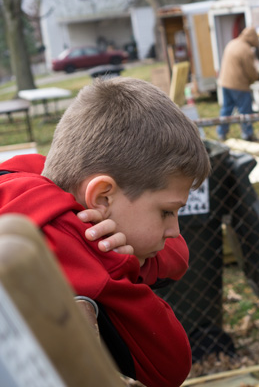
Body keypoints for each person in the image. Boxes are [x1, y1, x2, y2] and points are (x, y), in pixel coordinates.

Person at [0, 77, 211, 387]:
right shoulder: (75, 245)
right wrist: (118, 264)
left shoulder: (23, 178)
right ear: (102, 198)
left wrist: (142, 261)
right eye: (166, 212)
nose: (174, 229)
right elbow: (171, 366)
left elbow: (177, 254)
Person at [217, 26, 259, 142]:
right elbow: (250, 70)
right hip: (238, 84)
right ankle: (248, 134)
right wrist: (256, 77)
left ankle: (221, 132)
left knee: (226, 109)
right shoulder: (245, 49)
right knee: (245, 110)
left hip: (225, 82)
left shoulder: (232, 43)